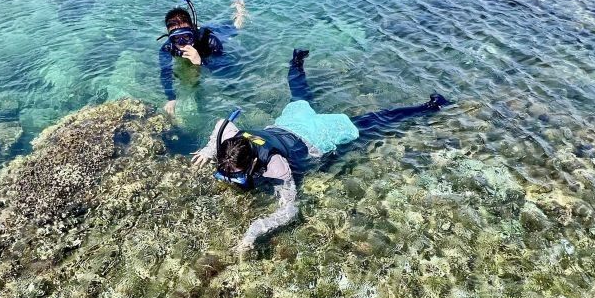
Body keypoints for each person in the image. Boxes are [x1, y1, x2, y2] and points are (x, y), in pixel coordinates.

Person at [191, 49, 449, 254]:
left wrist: (255, 230)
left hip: (314, 136)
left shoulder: (276, 166)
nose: (227, 174)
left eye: (234, 173)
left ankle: (429, 107)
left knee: (372, 121)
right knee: (299, 96)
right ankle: (296, 60)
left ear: (251, 164)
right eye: (225, 170)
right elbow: (220, 126)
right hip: (287, 124)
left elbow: (290, 209)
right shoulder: (231, 138)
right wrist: (208, 150)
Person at [159, 0, 246, 115]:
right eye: (176, 39)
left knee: (236, 27)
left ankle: (240, 8)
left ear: (192, 32)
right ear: (170, 37)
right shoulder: (167, 48)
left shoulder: (210, 41)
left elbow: (226, 70)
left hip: (217, 33)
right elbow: (165, 73)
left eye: (186, 37)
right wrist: (171, 98)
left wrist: (201, 62)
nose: (182, 43)